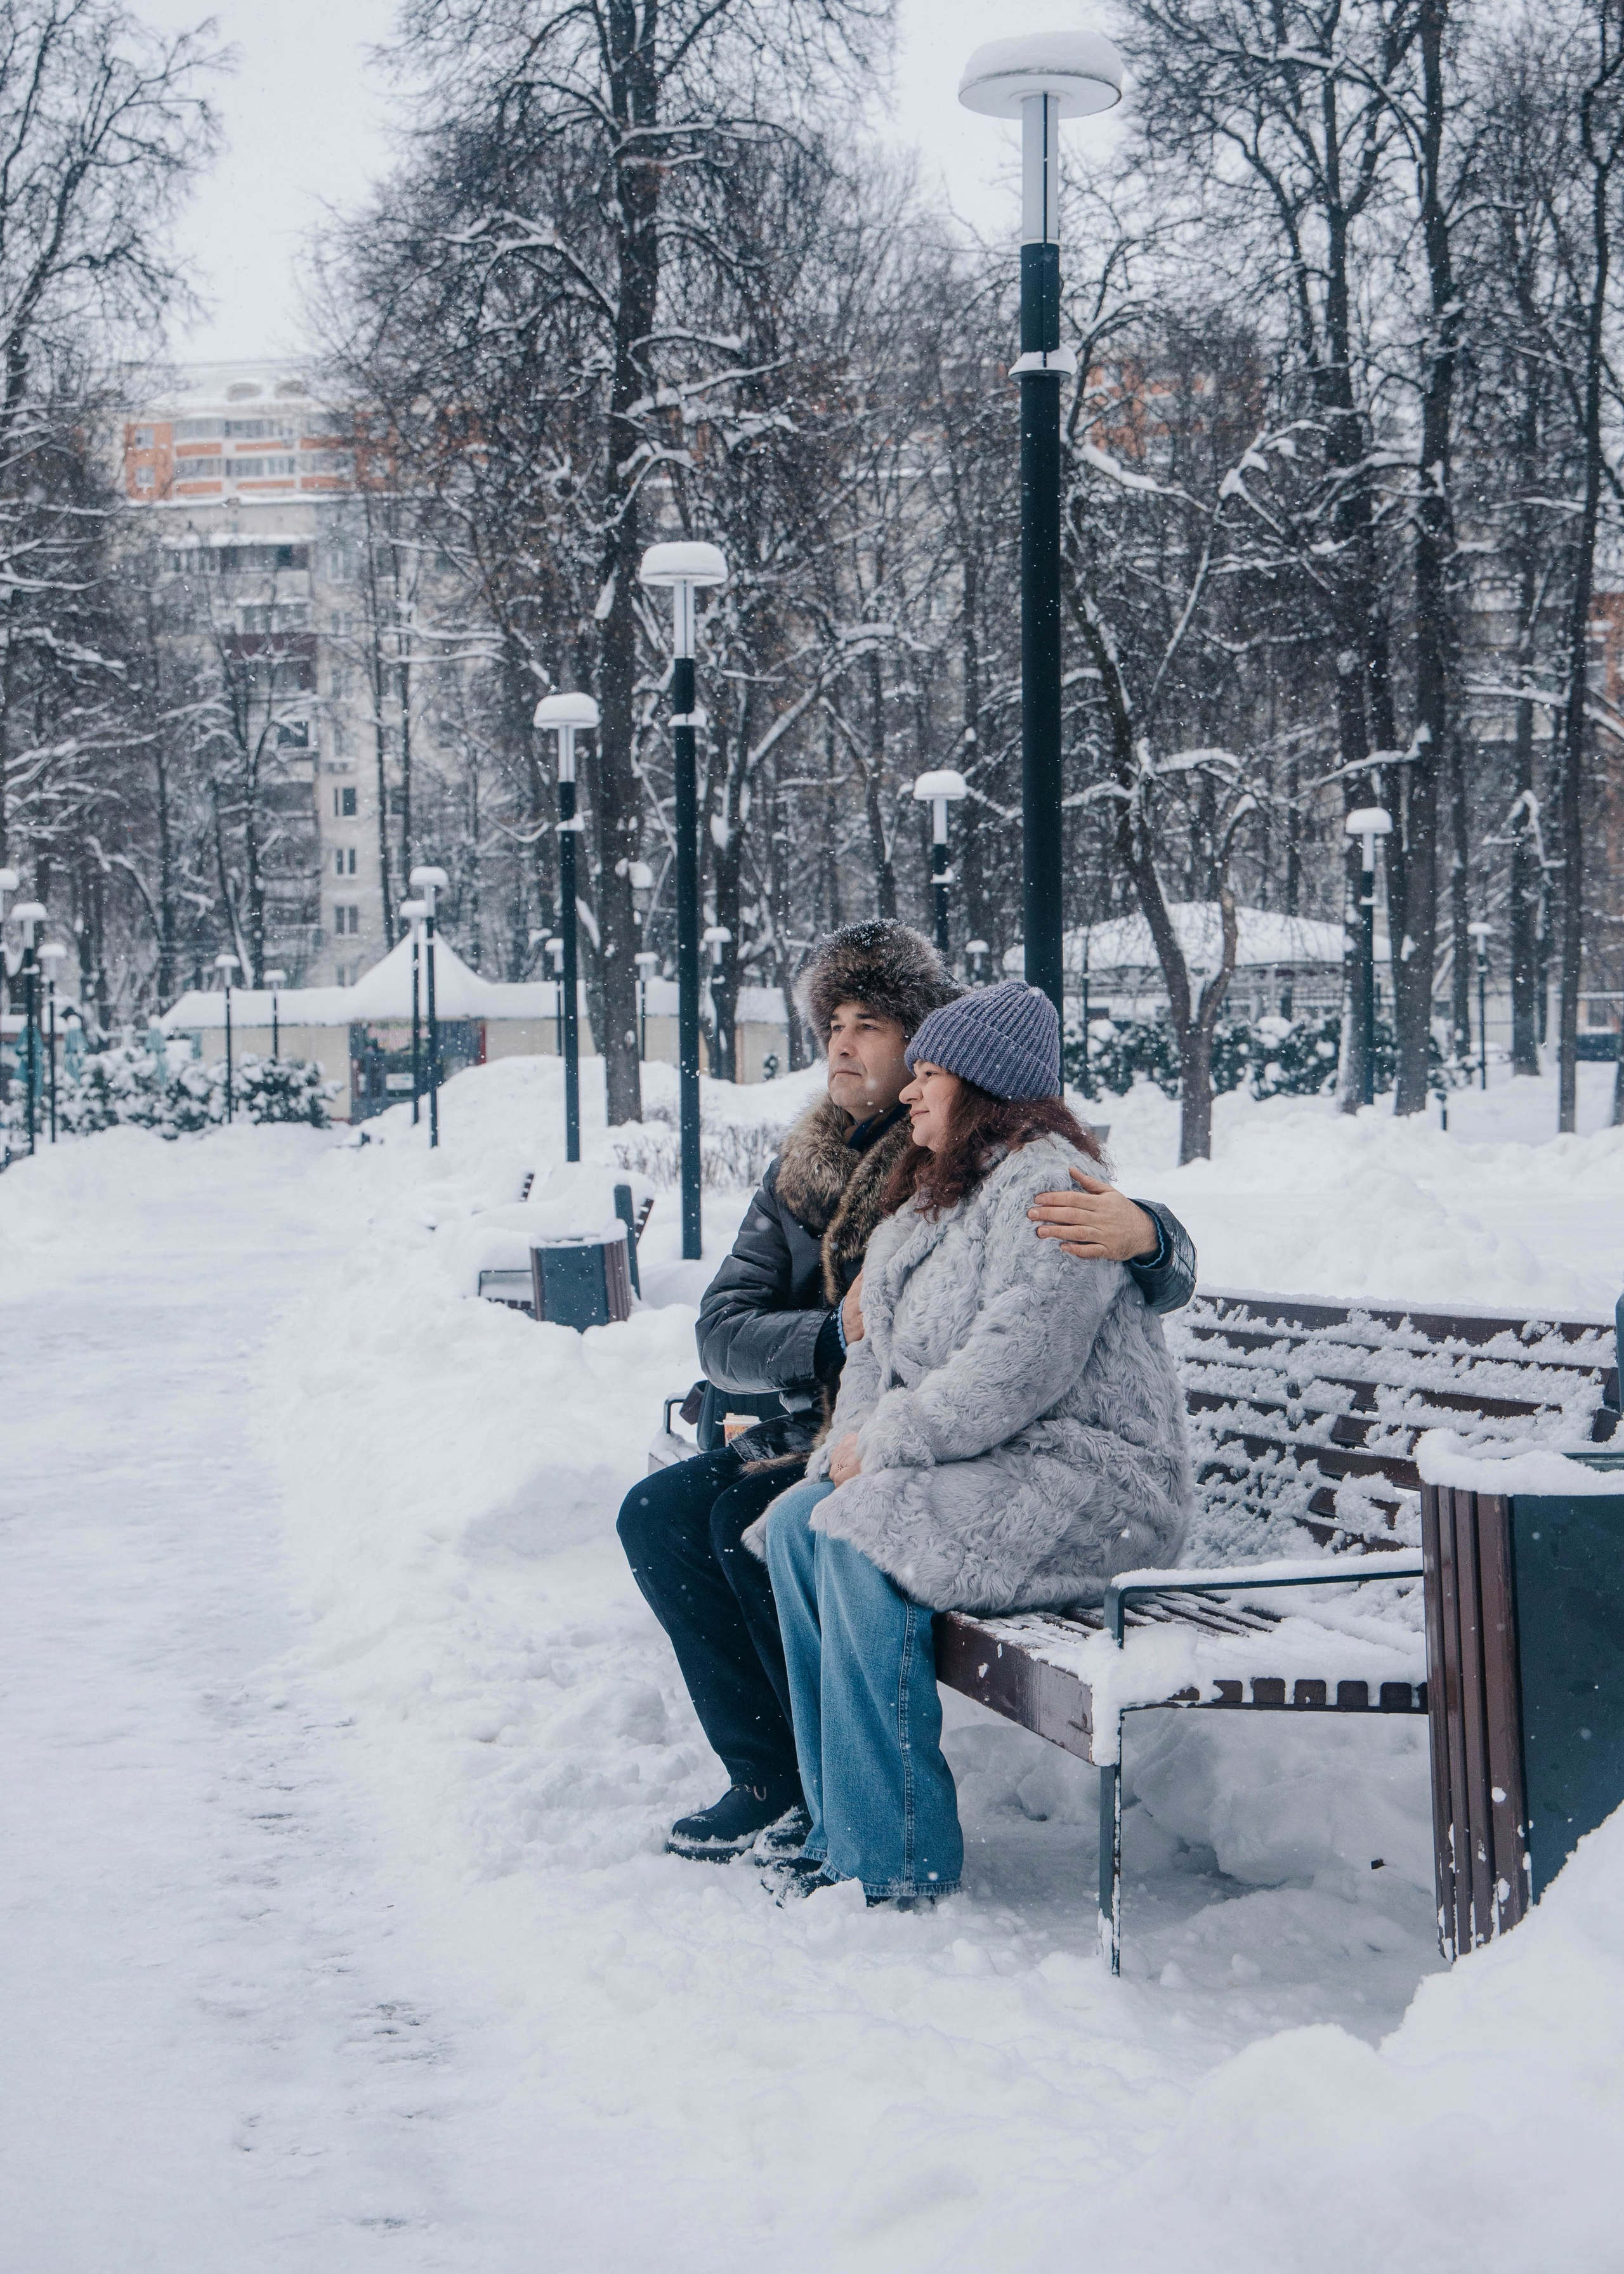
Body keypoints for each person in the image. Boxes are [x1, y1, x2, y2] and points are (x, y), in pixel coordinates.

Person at [616, 922, 1197, 1862]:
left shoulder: (1001, 1172)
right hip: (854, 1428)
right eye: (832, 1024)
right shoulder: (830, 1174)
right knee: (671, 1514)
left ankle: (874, 1835)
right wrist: (829, 1345)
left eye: (871, 1027)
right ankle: (790, 1785)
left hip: (1013, 1460)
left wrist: (1156, 1234)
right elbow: (735, 1327)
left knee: (779, 1526)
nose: (844, 1046)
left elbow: (1036, 1330)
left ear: (940, 1058)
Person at [751, 980, 1193, 1907]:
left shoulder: (1048, 1186)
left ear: (984, 1085)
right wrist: (859, 1435)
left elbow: (1017, 1364)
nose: (910, 1090)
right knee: (801, 1520)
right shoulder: (924, 1212)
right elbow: (874, 1356)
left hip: (1090, 1484)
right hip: (994, 1470)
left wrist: (886, 1446)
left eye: (931, 1075)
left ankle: (892, 1854)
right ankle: (840, 1831)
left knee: (855, 1525)